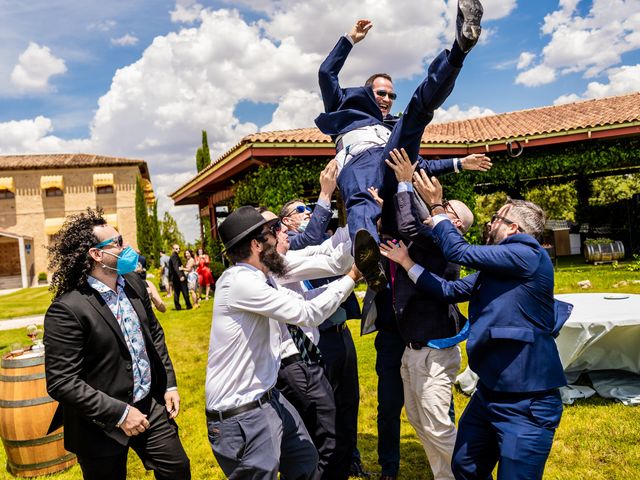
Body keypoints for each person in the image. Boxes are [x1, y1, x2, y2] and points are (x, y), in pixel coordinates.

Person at [382, 172, 567, 480]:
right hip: (489, 393)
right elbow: (447, 291)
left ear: (513, 228)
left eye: (496, 217)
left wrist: (437, 206)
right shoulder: (500, 267)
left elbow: (459, 252)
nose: (490, 222)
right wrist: (406, 263)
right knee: (465, 467)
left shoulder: (527, 253)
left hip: (527, 401)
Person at [315, 1, 490, 291]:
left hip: (391, 168)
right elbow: (325, 74)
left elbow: (420, 165)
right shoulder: (344, 108)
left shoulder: (392, 126)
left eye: (392, 95)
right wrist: (349, 40)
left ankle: (459, 49)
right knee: (362, 200)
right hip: (359, 165)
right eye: (381, 93)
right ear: (366, 93)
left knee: (417, 113)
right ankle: (369, 263)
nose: (386, 99)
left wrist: (460, 163)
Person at [205, 206, 360, 479]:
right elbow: (307, 314)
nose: (278, 237)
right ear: (256, 244)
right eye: (272, 232)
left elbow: (320, 271)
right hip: (240, 414)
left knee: (305, 461)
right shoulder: (240, 282)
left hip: (269, 398)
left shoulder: (262, 276)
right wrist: (352, 278)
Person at [43, 208, 190, 480]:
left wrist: (169, 383)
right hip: (99, 424)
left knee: (177, 469)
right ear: (97, 255)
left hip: (150, 406)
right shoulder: (67, 309)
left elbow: (154, 334)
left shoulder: (133, 282)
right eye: (118, 243)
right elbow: (62, 381)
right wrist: (121, 414)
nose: (126, 247)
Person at [280, 159, 338, 250]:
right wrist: (326, 192)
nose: (308, 212)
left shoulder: (324, 236)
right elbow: (310, 238)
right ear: (287, 221)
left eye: (308, 209)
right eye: (300, 209)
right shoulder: (288, 239)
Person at [169, 244, 192, 310]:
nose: (178, 250)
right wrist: (180, 276)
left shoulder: (173, 256)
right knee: (184, 291)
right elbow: (176, 267)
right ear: (173, 249)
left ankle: (178, 307)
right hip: (179, 277)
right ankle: (188, 305)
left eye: (179, 248)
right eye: (176, 249)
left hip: (175, 278)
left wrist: (171, 279)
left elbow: (172, 269)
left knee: (176, 292)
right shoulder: (174, 256)